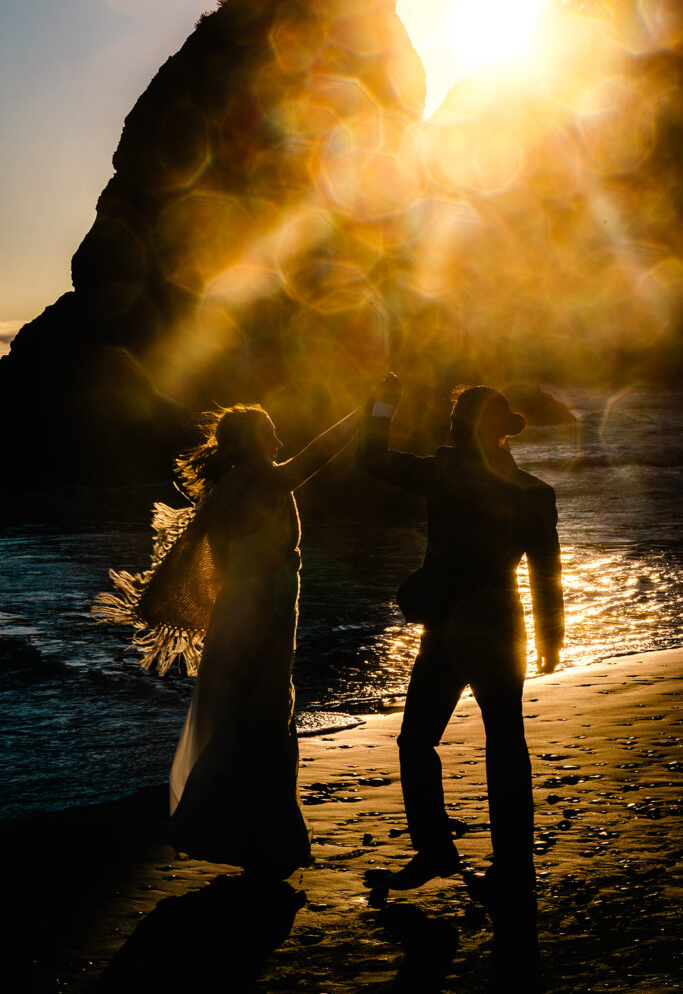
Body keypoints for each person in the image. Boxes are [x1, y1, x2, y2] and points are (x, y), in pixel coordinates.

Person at [94, 402, 361, 878]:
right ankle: (252, 838)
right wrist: (369, 410)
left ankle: (250, 837)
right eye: (272, 433)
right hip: (260, 618)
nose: (279, 443)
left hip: (242, 615)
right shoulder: (262, 478)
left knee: (249, 720)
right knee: (262, 722)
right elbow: (321, 453)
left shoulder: (229, 485)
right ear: (255, 441)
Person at [357, 375, 564, 898]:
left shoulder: (445, 470)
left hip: (448, 629)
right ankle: (512, 867)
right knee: (506, 746)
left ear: (460, 428)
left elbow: (370, 458)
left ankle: (435, 851)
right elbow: (546, 573)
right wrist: (551, 640)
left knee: (417, 740)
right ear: (503, 434)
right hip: (503, 627)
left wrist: (384, 405)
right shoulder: (535, 493)